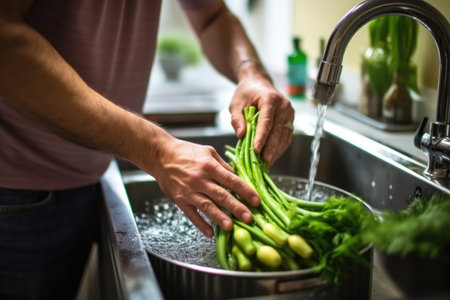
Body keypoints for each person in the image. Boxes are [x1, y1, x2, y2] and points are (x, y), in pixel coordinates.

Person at [0, 0, 295, 298]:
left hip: (91, 171)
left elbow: (212, 15)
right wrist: (158, 150)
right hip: (14, 188)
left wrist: (251, 72)